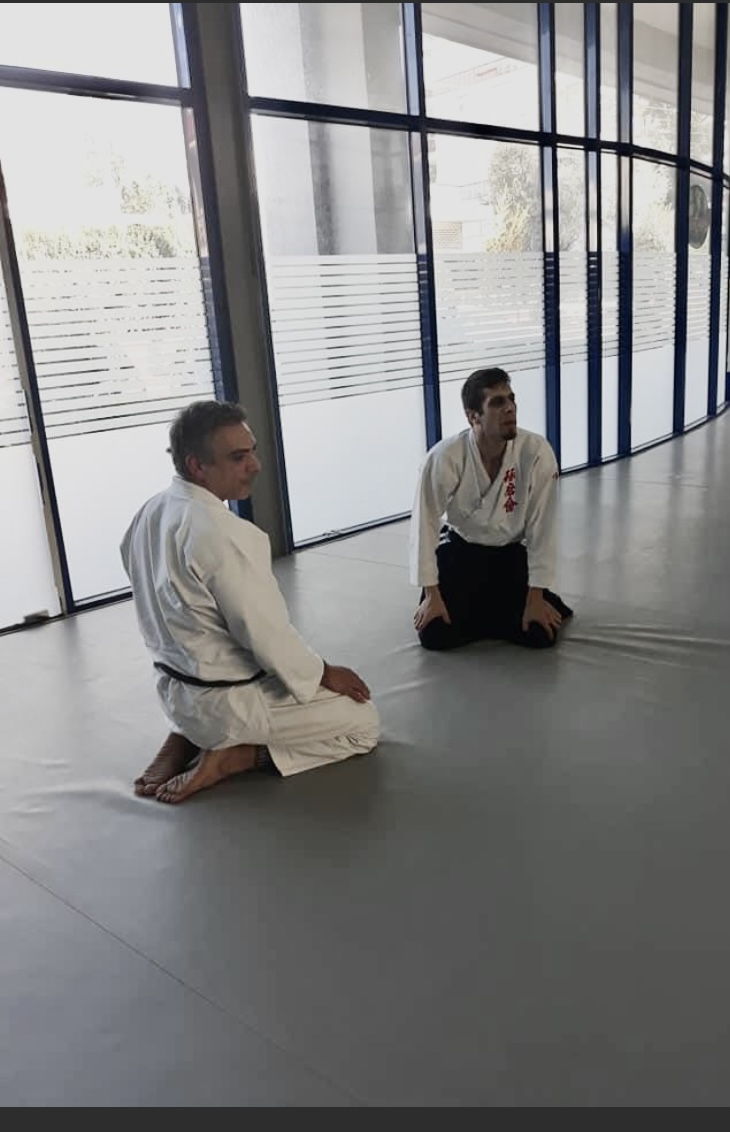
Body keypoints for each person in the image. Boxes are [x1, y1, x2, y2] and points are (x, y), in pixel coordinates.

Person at [120, 400, 380, 805]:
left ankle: (186, 733)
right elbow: (265, 633)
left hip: (175, 690)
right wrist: (323, 673)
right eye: (238, 457)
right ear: (197, 466)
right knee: (363, 723)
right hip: (228, 703)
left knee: (226, 667)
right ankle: (234, 756)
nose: (255, 465)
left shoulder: (151, 511)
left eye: (252, 451)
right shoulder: (220, 533)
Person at [410, 367, 573, 651]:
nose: (510, 408)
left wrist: (536, 596)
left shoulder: (536, 451)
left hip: (510, 555)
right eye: (497, 403)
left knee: (539, 635)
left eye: (511, 399)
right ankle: (494, 611)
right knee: (435, 636)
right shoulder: (445, 457)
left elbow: (543, 527)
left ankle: (509, 606)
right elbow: (424, 526)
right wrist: (432, 595)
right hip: (461, 553)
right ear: (473, 416)